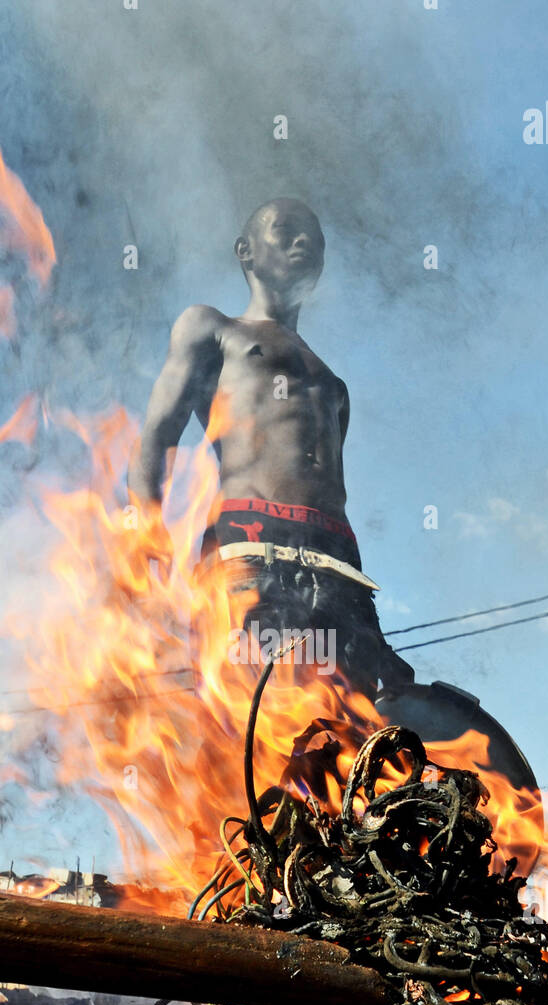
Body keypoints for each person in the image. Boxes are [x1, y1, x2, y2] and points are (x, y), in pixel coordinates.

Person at [130, 197, 414, 700]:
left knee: (345, 726)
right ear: (246, 252)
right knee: (248, 711)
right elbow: (157, 435)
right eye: (286, 231)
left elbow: (330, 487)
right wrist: (146, 541)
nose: (303, 242)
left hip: (337, 561)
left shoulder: (335, 385)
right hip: (249, 546)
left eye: (315, 240)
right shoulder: (213, 328)